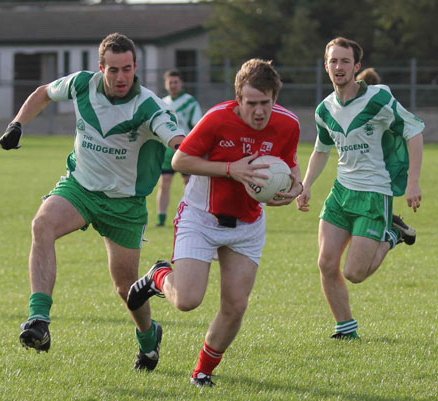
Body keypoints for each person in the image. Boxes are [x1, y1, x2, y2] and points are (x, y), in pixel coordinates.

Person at [0, 33, 186, 370]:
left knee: (125, 287)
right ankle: (38, 320)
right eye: (113, 70)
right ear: (101, 68)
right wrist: (17, 124)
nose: (121, 77)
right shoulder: (82, 84)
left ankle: (148, 337)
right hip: (80, 189)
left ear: (135, 67)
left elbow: (174, 137)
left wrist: (191, 151)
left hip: (124, 205)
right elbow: (43, 93)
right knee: (42, 223)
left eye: (127, 69)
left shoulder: (149, 104)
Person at [127, 59, 303, 386]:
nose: (259, 111)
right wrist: (230, 169)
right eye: (251, 103)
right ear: (239, 99)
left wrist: (296, 187)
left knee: (235, 305)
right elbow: (180, 159)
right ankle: (158, 276)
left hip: (248, 223)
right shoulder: (217, 119)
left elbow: (290, 164)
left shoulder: (288, 124)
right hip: (201, 217)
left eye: (266, 103)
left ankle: (202, 372)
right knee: (187, 300)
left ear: (274, 98)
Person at [296, 37, 424, 339]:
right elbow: (321, 150)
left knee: (354, 273)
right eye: (333, 61)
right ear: (326, 66)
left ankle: (392, 234)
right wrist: (306, 185)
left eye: (344, 61)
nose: (338, 66)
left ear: (356, 66)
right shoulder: (324, 109)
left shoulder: (378, 98)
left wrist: (413, 182)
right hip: (341, 193)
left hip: (373, 194)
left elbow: (414, 130)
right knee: (326, 263)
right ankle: (345, 328)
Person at [156, 69, 203, 227]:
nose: (173, 85)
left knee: (188, 183)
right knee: (164, 182)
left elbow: (196, 126)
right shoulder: (162, 103)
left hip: (185, 148)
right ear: (166, 84)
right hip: (167, 150)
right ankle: (161, 219)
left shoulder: (190, 102)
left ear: (181, 83)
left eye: (176, 82)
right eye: (170, 82)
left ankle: (189, 217)